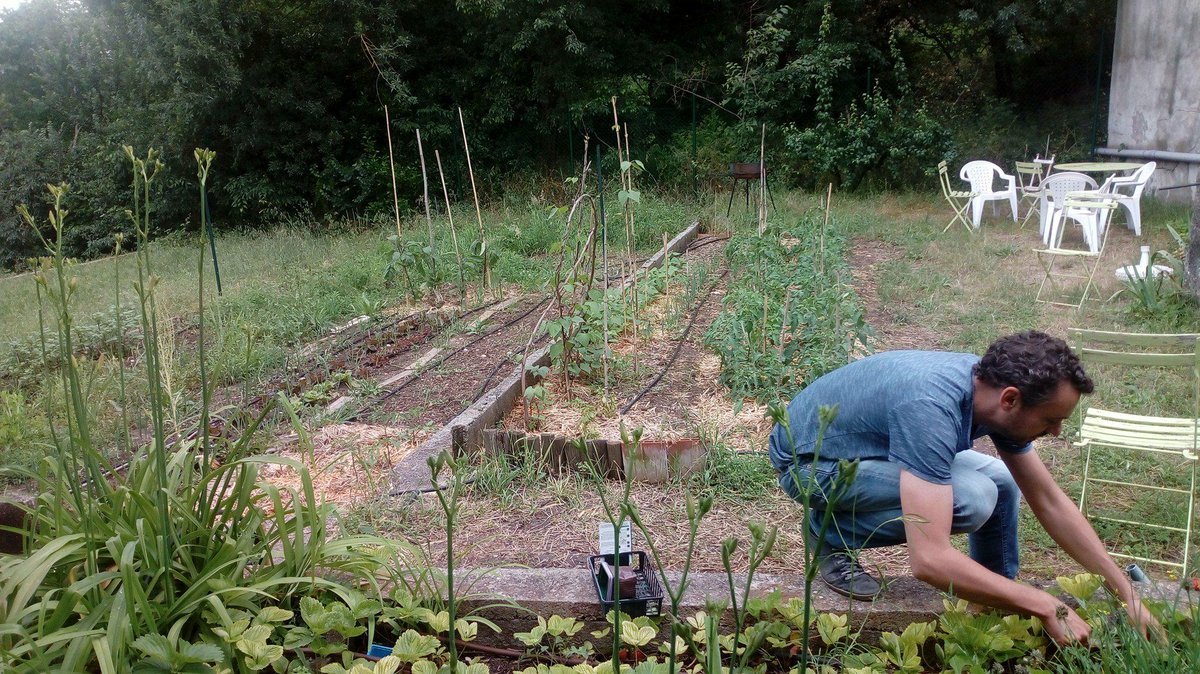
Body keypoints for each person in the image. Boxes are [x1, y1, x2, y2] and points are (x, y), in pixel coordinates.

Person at [768, 331, 1160, 645]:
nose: (1056, 431)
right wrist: (1045, 605)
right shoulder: (931, 407)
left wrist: (1126, 591)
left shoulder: (991, 394)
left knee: (1002, 482)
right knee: (973, 497)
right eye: (1052, 419)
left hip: (874, 449)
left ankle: (991, 600)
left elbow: (1049, 501)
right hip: (813, 464)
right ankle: (828, 534)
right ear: (1011, 399)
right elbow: (929, 560)